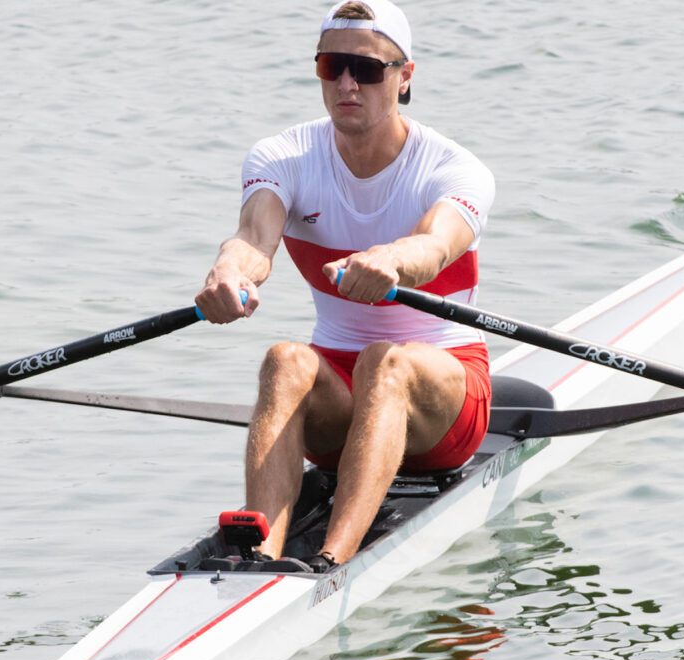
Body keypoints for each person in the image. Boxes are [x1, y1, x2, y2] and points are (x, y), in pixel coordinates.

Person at [194, 0, 496, 569]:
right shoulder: (282, 155)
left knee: (387, 360)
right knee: (284, 359)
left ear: (405, 77)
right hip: (339, 399)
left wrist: (392, 260)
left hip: (445, 398)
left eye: (368, 68)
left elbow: (434, 245)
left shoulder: (455, 169)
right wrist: (228, 271)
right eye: (332, 66)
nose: (348, 82)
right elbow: (254, 240)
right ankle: (261, 558)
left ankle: (333, 565)